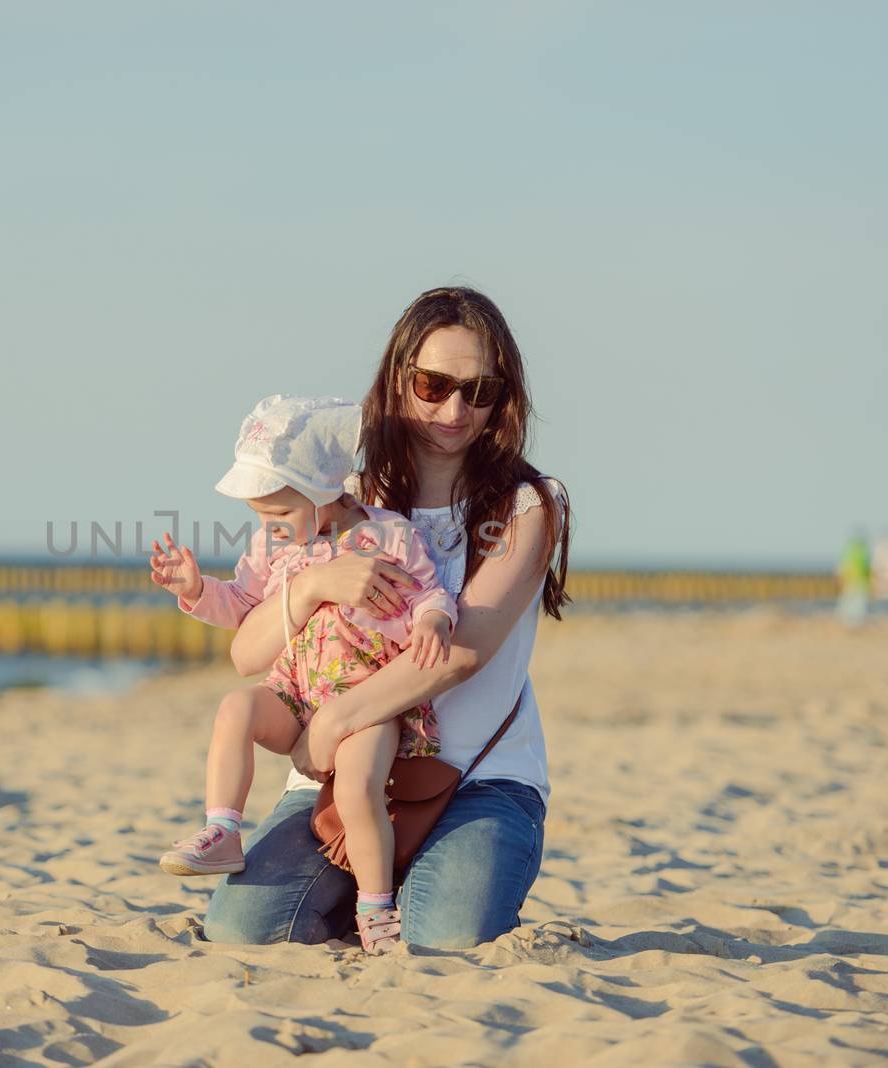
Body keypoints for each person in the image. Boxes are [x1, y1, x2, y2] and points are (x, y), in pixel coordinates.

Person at [199, 286, 572, 950]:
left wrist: (335, 720)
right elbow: (247, 650)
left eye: (479, 390)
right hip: (345, 776)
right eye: (433, 383)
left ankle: (418, 885)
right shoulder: (340, 500)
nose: (453, 408)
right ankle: (372, 888)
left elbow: (461, 652)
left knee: (445, 941)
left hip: (480, 779)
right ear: (399, 381)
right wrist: (315, 581)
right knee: (241, 930)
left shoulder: (527, 506)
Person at [148, 394, 459, 953]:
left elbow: (431, 592)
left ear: (326, 494)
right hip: (296, 693)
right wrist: (197, 592)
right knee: (234, 708)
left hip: (368, 704)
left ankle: (375, 907)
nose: (271, 529)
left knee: (361, 787)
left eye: (282, 514)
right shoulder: (275, 548)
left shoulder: (387, 536)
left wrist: (434, 622)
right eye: (261, 519)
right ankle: (222, 827)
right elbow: (244, 608)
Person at [838, 530, 872, 627]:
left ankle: (848, 623)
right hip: (859, 583)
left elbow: (843, 568)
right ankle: (854, 623)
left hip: (852, 582)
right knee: (857, 605)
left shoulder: (850, 552)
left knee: (849, 604)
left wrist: (841, 579)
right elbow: (867, 570)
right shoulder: (863, 553)